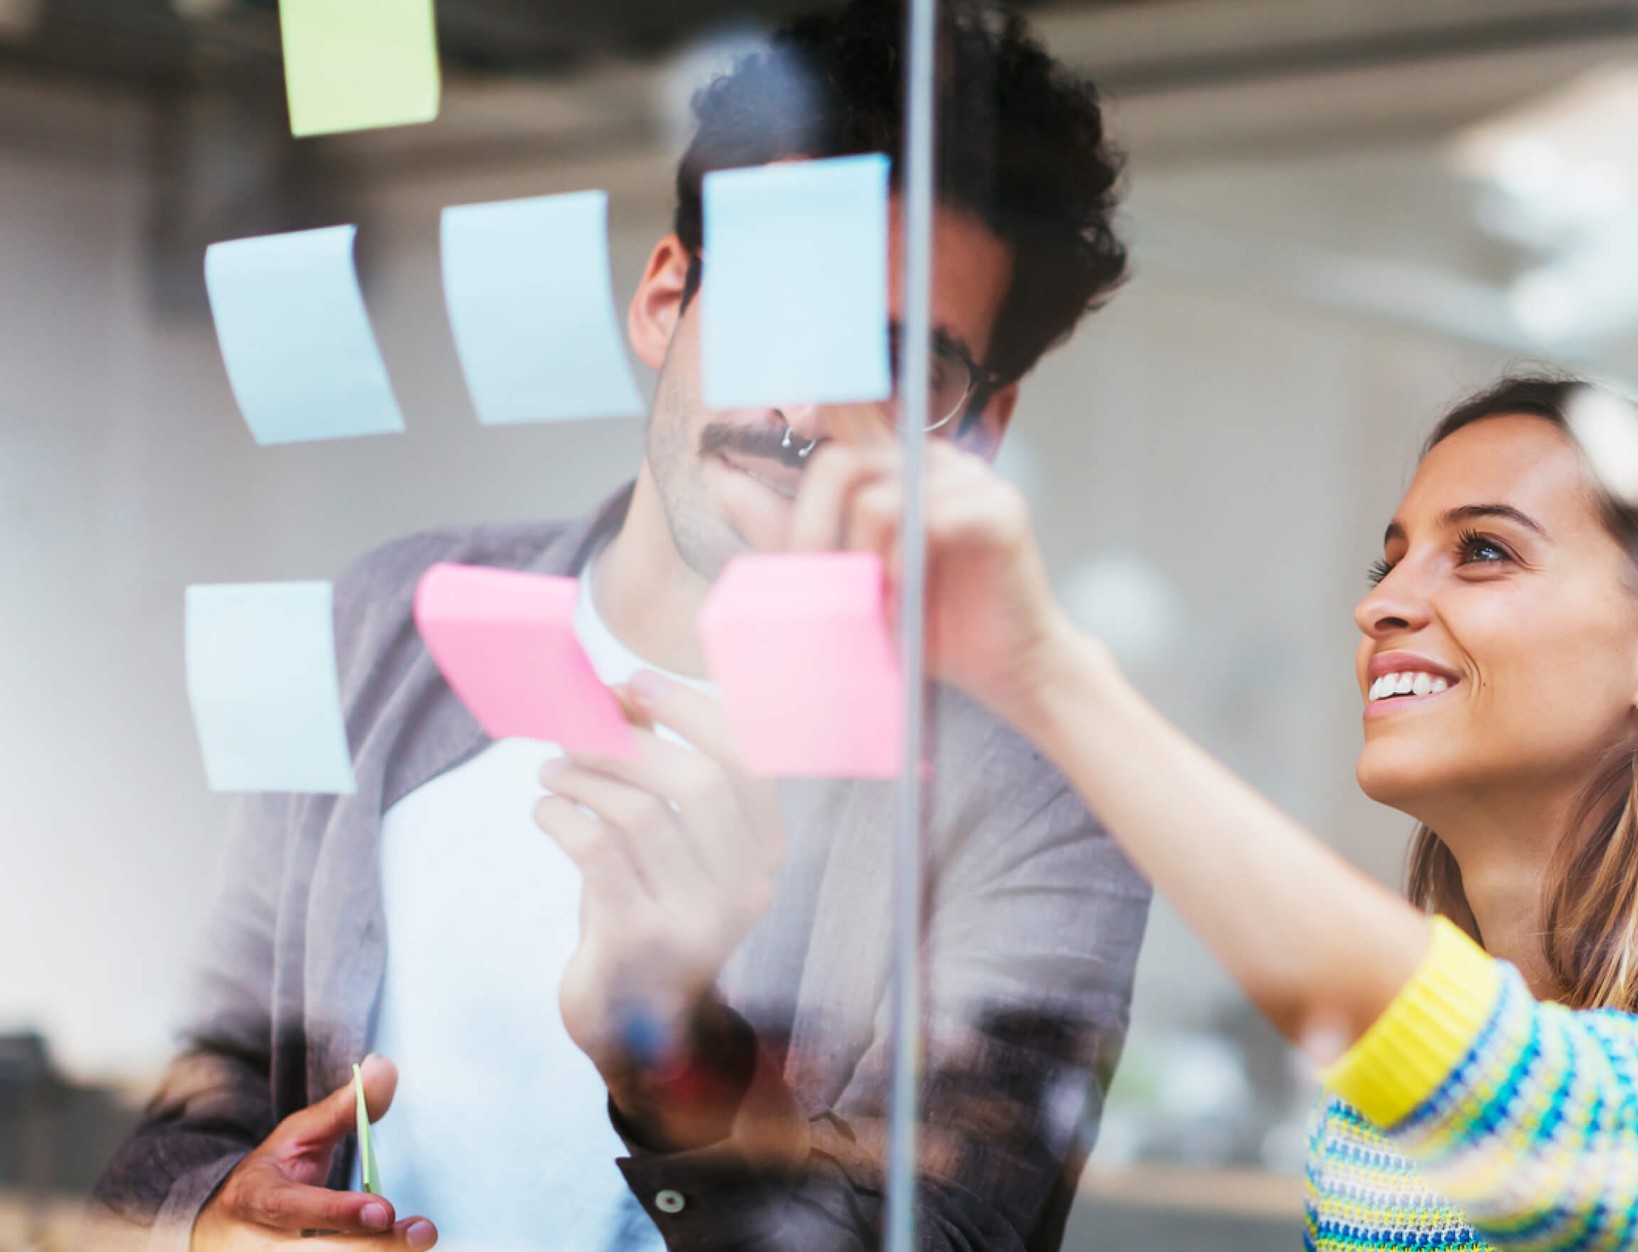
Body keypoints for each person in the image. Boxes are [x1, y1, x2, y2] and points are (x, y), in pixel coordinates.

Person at [87, 2, 1149, 1249]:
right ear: (663, 299)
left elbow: (955, 1237)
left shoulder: (1040, 792)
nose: (809, 411)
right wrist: (214, 1214)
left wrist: (680, 1068)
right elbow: (199, 1097)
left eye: (902, 368)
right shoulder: (387, 626)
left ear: (976, 427)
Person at [789, 375, 1638, 1247]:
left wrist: (1049, 676)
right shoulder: (1365, 1130)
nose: (1385, 603)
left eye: (1482, 551)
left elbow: (1576, 1152)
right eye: (1386, 562)